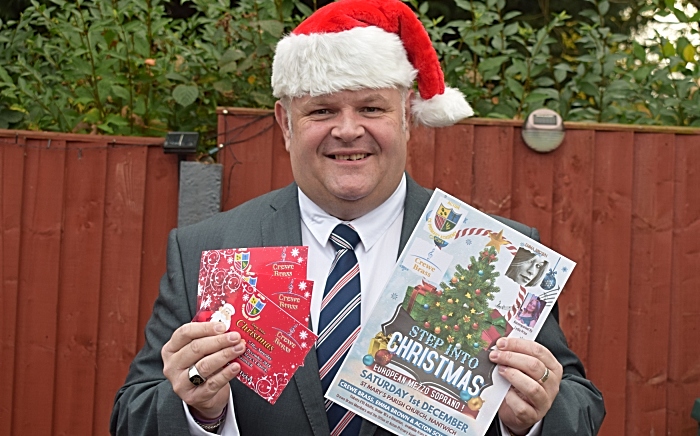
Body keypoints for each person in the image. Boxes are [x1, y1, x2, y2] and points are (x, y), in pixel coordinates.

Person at [110, 1, 605, 435]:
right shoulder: (207, 249)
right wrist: (200, 412)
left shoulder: (499, 257)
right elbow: (132, 415)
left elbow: (580, 410)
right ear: (285, 123)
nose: (348, 131)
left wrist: (533, 418)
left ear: (408, 117)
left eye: (371, 107)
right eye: (322, 111)